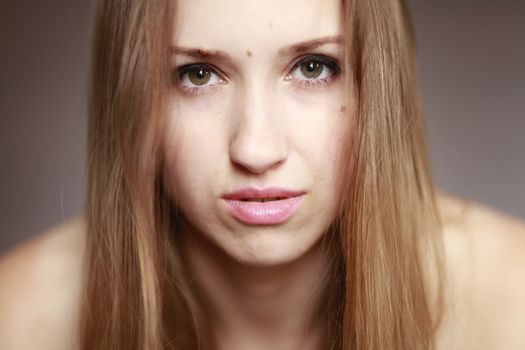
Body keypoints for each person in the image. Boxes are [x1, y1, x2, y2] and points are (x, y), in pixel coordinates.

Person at [0, 0, 524, 349]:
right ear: (133, 99)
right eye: (198, 75)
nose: (256, 148)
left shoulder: (512, 301)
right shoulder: (19, 318)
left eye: (314, 67)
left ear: (378, 86)